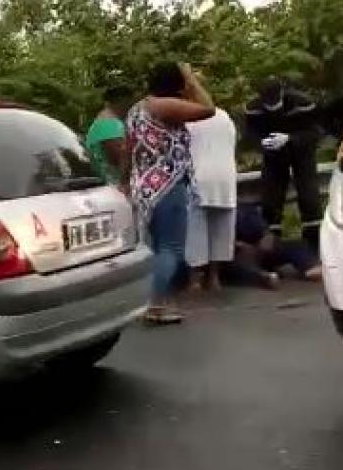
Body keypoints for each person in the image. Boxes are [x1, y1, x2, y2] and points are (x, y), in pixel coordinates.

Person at [126, 62, 216, 324]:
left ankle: (158, 302)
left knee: (156, 248)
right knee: (171, 249)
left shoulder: (137, 109)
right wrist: (193, 82)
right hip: (167, 183)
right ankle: (153, 304)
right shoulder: (161, 105)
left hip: (144, 185)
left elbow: (127, 149)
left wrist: (125, 182)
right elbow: (208, 109)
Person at [244, 77, 322, 251]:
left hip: (302, 153)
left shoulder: (302, 103)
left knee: (308, 196)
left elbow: (315, 133)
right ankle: (273, 245)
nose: (272, 107)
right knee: (271, 199)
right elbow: (250, 133)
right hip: (274, 155)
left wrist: (290, 139)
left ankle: (314, 243)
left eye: (275, 103)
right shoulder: (254, 109)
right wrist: (260, 143)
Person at [184, 107, 238, 291]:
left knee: (195, 232)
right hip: (226, 177)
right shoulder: (224, 116)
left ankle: (195, 280)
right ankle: (215, 278)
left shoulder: (187, 116)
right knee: (221, 231)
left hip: (198, 177)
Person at [228, 203, 322, 289]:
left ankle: (310, 266)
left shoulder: (244, 209)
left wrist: (266, 236)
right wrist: (238, 245)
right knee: (238, 266)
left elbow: (264, 230)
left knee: (294, 245)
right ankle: (264, 277)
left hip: (259, 247)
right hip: (236, 253)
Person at [84, 85, 136, 187]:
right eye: (132, 101)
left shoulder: (107, 121)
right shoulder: (108, 123)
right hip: (111, 185)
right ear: (123, 100)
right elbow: (120, 158)